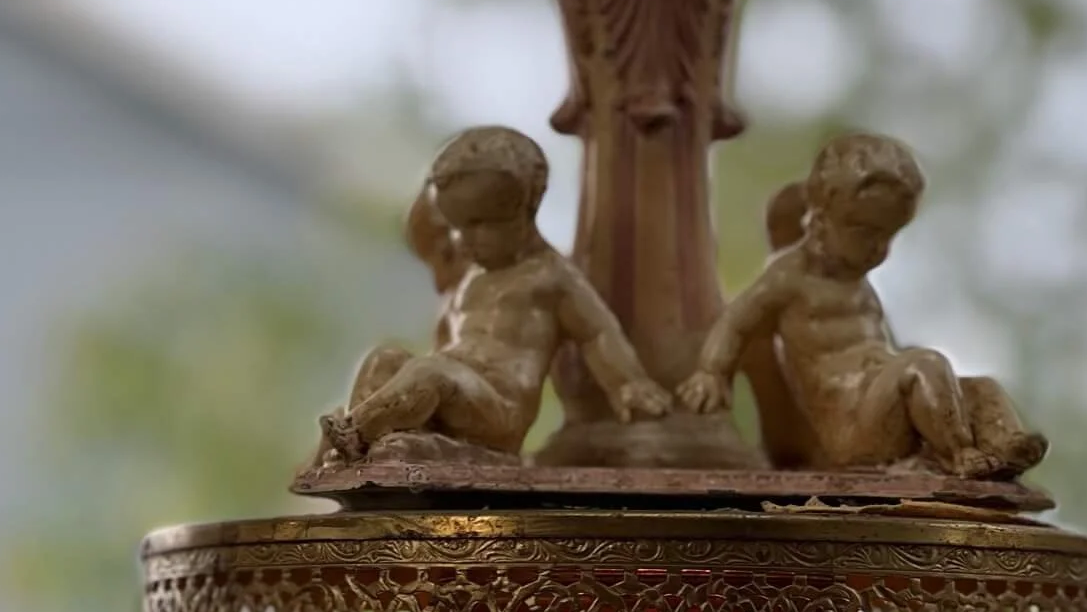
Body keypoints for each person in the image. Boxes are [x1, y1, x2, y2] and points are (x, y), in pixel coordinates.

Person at [678, 132, 1047, 478]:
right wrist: (712, 372)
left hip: (884, 402)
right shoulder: (790, 278)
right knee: (925, 365)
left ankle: (1005, 445)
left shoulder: (858, 285)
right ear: (821, 220)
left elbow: (888, 350)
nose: (878, 249)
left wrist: (905, 367)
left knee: (980, 386)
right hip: (852, 425)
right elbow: (737, 321)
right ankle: (960, 455)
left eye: (887, 236)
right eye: (865, 233)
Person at [320, 126, 670, 462]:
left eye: (479, 225)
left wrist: (628, 383)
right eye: (457, 227)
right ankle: (362, 444)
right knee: (386, 358)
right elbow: (444, 342)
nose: (463, 240)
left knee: (431, 372)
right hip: (455, 391)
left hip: (500, 409)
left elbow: (597, 333)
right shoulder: (472, 278)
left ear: (525, 211)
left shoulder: (550, 277)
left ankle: (354, 436)